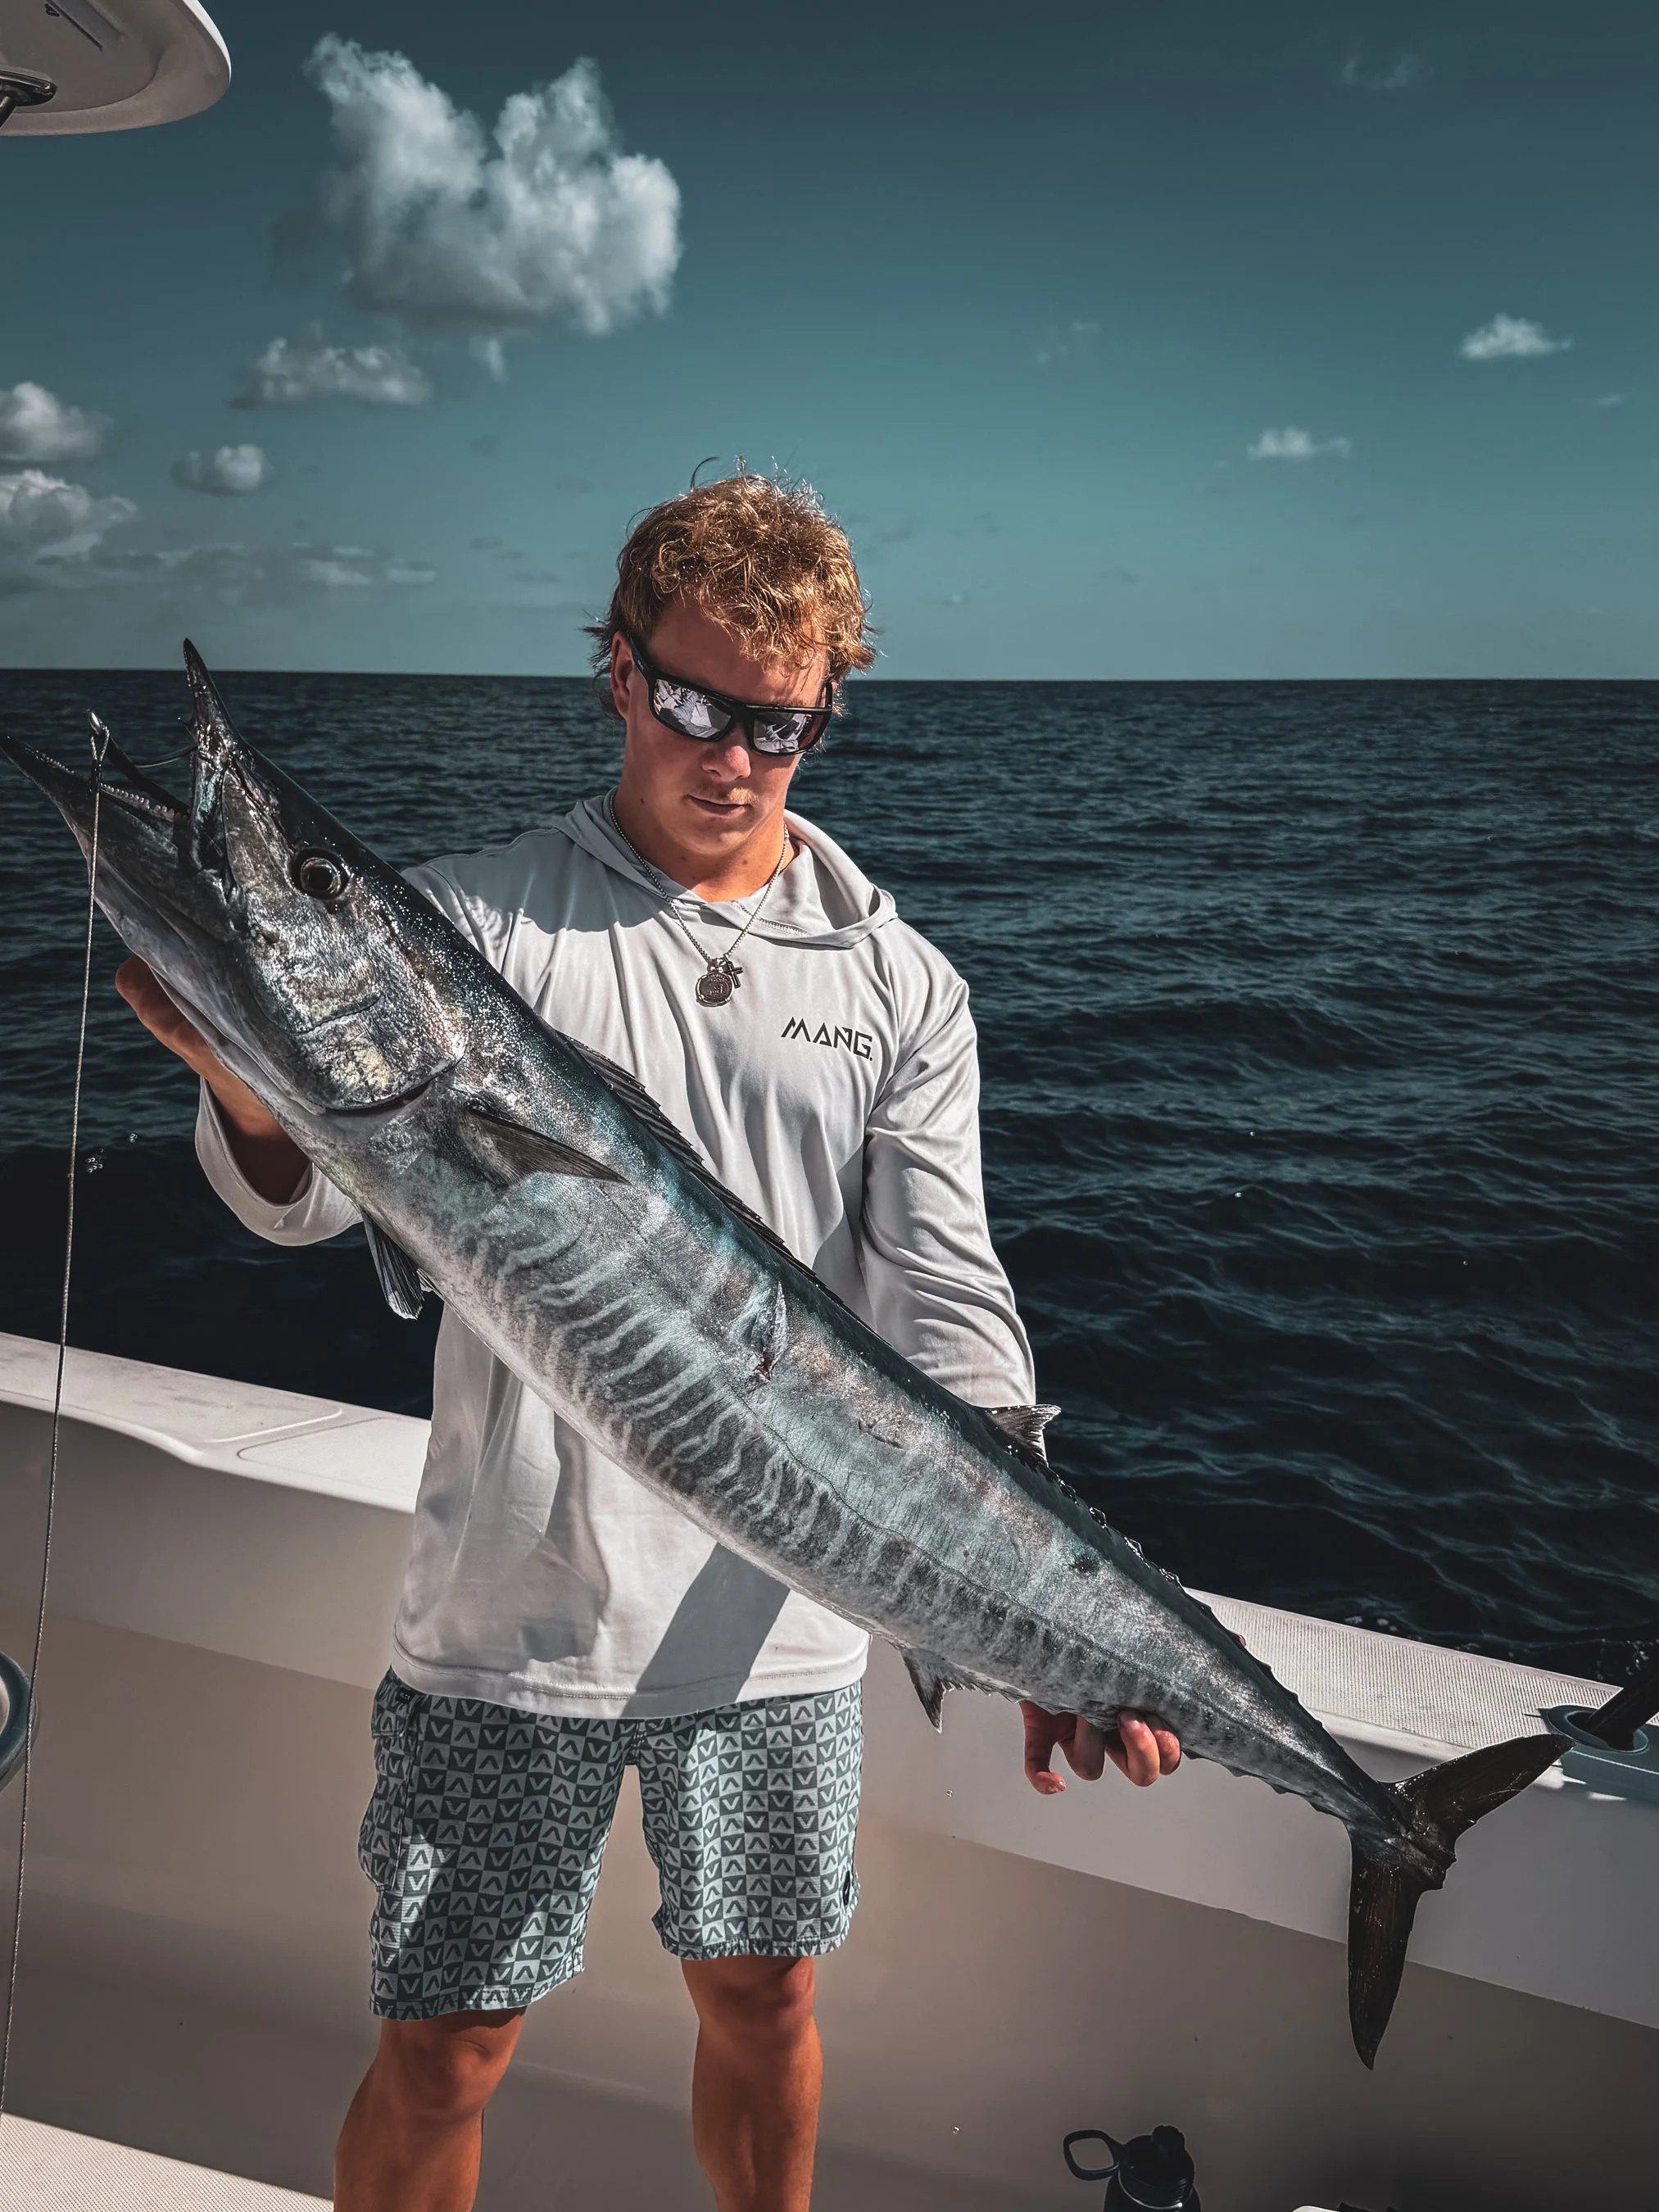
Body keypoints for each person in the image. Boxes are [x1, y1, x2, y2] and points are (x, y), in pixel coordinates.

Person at [115, 473, 1181, 2212]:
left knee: (766, 1998)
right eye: (693, 702)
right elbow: (307, 1205)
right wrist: (247, 1080)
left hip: (784, 1622)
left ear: (823, 708)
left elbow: (949, 1297)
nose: (736, 753)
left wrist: (1035, 1597)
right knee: (447, 2039)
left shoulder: (897, 982)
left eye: (783, 719)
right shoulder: (476, 928)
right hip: (509, 1615)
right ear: (615, 671)